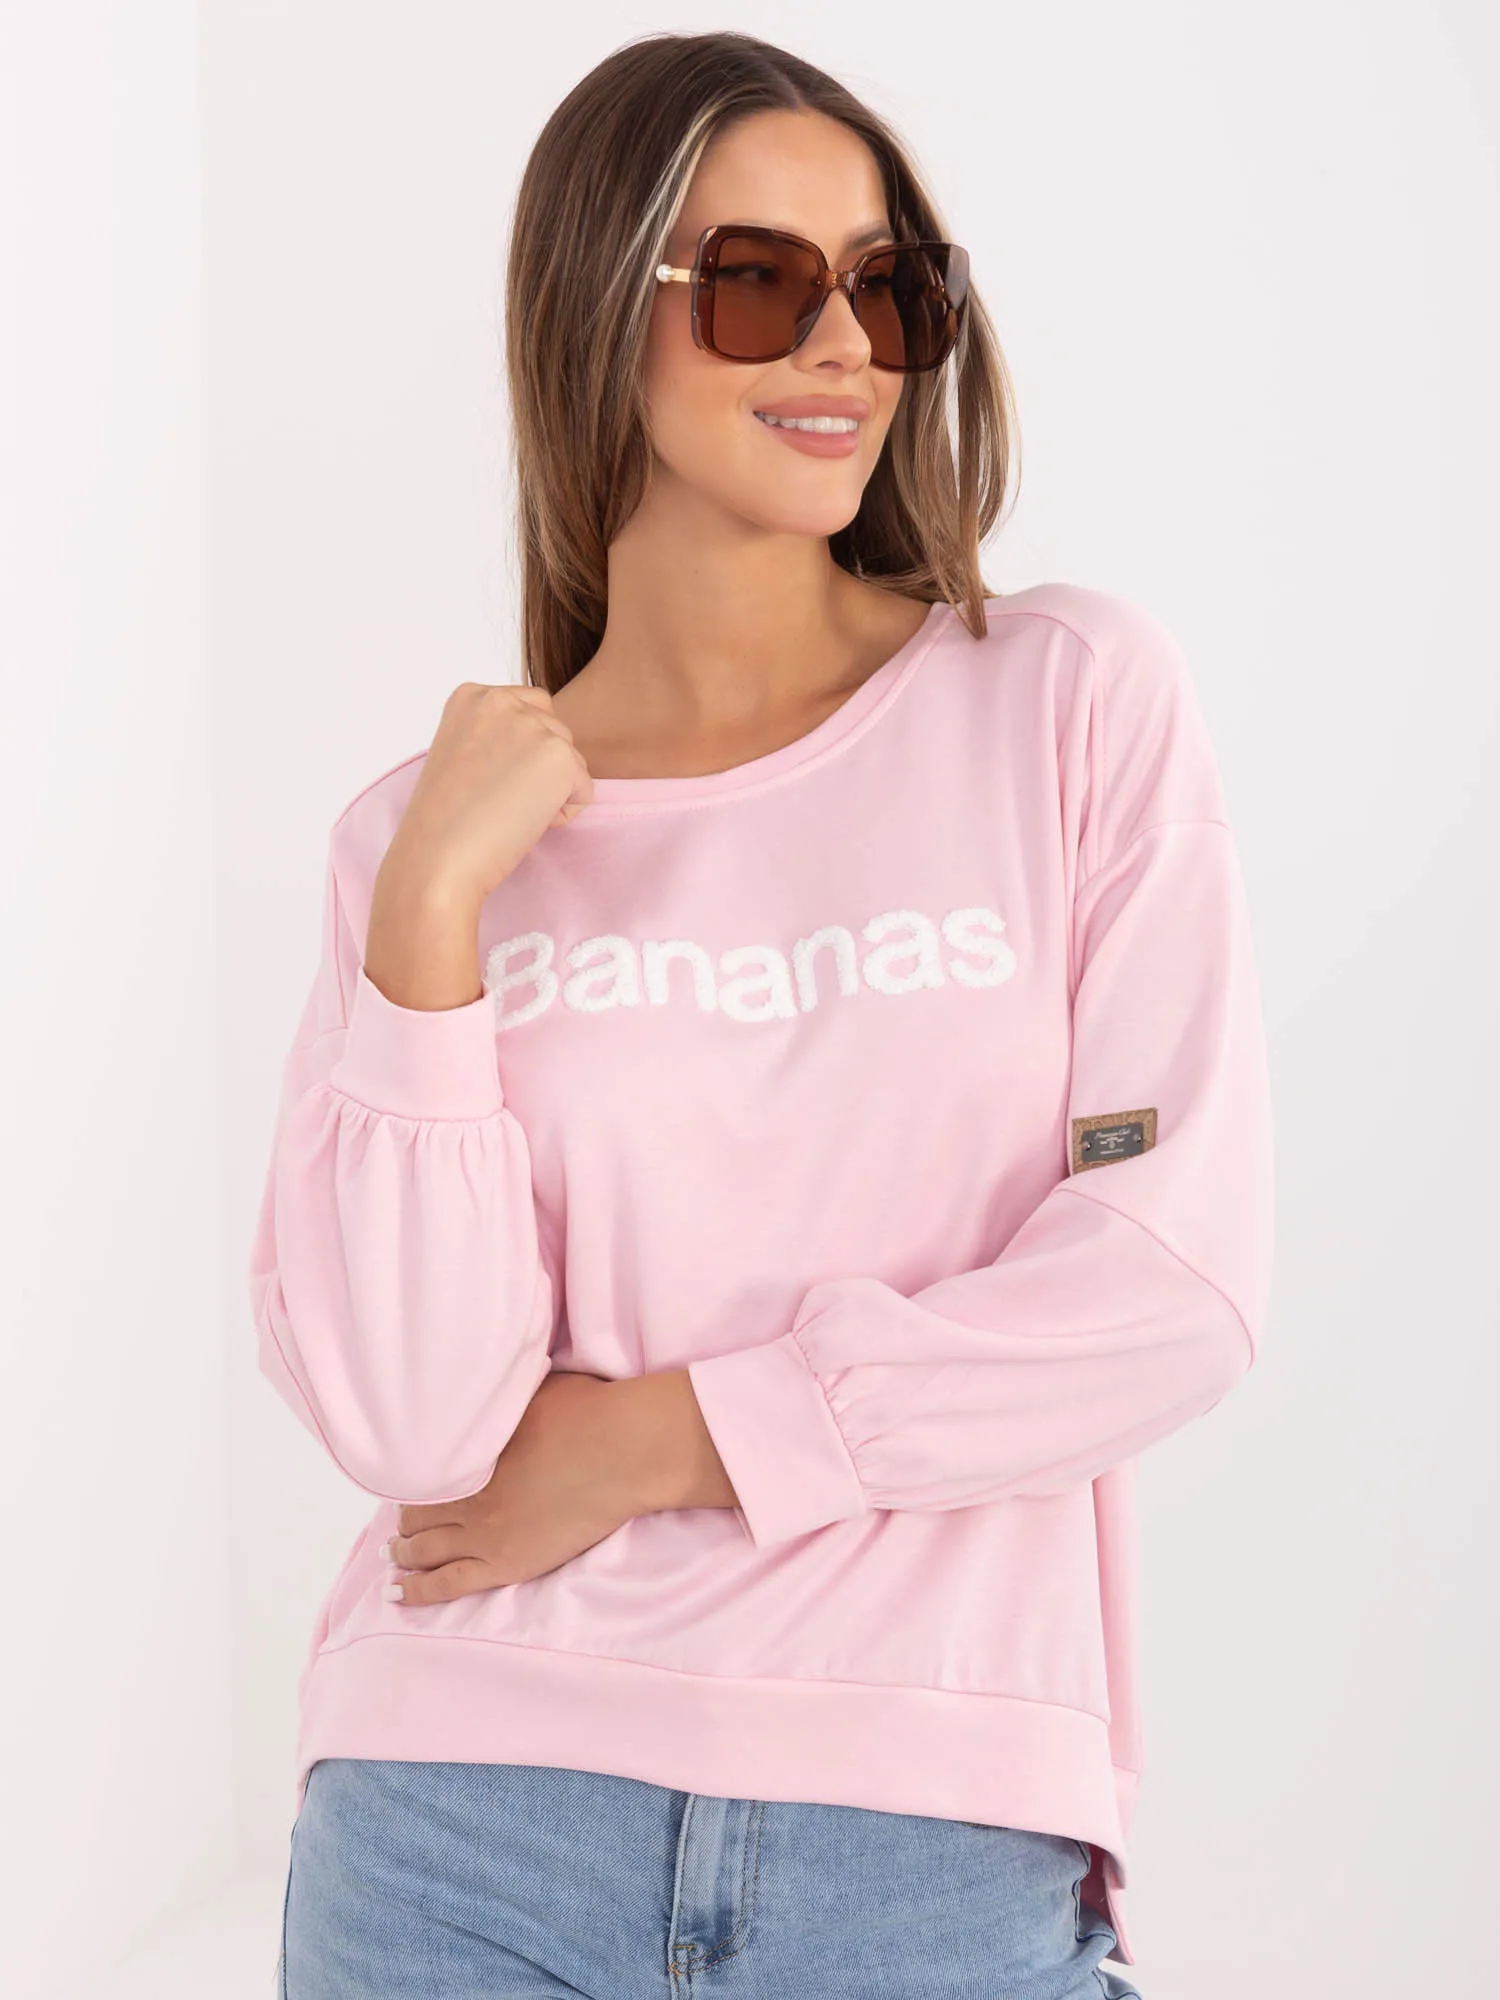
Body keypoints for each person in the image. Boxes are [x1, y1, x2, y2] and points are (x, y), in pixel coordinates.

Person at [248, 28, 1275, 2000]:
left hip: (926, 1838)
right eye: (756, 281)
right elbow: (409, 1423)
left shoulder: (1065, 705)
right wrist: (431, 921)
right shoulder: (418, 839)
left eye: (889, 286)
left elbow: (1170, 1284)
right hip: (456, 1824)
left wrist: (664, 1438)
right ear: (594, 313)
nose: (842, 347)